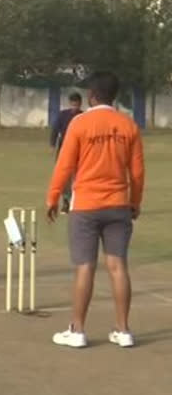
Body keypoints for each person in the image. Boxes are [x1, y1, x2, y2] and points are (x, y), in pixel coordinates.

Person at [46, 72, 144, 349]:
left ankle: (77, 330)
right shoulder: (128, 125)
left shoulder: (80, 123)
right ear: (114, 95)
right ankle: (123, 330)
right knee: (117, 266)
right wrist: (134, 202)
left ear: (91, 94)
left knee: (85, 267)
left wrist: (53, 197)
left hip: (86, 206)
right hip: (118, 204)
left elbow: (65, 165)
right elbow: (137, 172)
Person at [50, 92, 83, 212]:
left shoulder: (83, 116)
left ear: (80, 104)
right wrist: (53, 144)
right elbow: (55, 130)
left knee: (79, 176)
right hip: (65, 150)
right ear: (70, 104)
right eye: (73, 104)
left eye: (77, 105)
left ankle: (79, 201)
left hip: (80, 151)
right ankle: (66, 201)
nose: (75, 107)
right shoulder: (63, 115)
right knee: (65, 177)